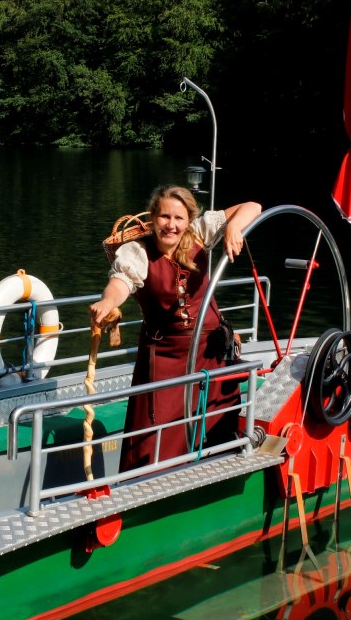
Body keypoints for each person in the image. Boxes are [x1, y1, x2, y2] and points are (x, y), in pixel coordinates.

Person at [90, 185, 262, 472]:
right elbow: (121, 282)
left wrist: (233, 228)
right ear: (153, 218)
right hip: (167, 358)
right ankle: (145, 489)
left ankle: (215, 477)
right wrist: (108, 302)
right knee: (154, 436)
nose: (171, 225)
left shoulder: (199, 232)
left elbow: (253, 206)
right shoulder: (138, 252)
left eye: (179, 218)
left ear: (189, 220)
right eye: (164, 217)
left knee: (217, 424)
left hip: (212, 353)